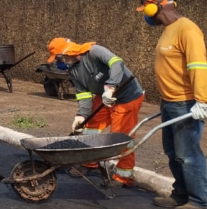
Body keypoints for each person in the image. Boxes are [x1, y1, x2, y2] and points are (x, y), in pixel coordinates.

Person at [137, 0, 207, 209]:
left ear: (155, 7)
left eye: (145, 9)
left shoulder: (187, 29)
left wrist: (202, 101)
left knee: (188, 154)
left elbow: (198, 66)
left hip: (184, 102)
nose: (145, 16)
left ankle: (200, 202)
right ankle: (180, 194)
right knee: (172, 152)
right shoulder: (169, 30)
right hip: (168, 102)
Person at [46, 37, 145, 186]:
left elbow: (117, 62)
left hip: (126, 97)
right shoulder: (74, 70)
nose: (60, 62)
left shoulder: (94, 52)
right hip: (103, 97)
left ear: (67, 53)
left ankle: (123, 176)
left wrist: (110, 87)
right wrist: (81, 115)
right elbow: (83, 93)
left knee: (121, 138)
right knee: (90, 130)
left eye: (59, 58)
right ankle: (89, 162)